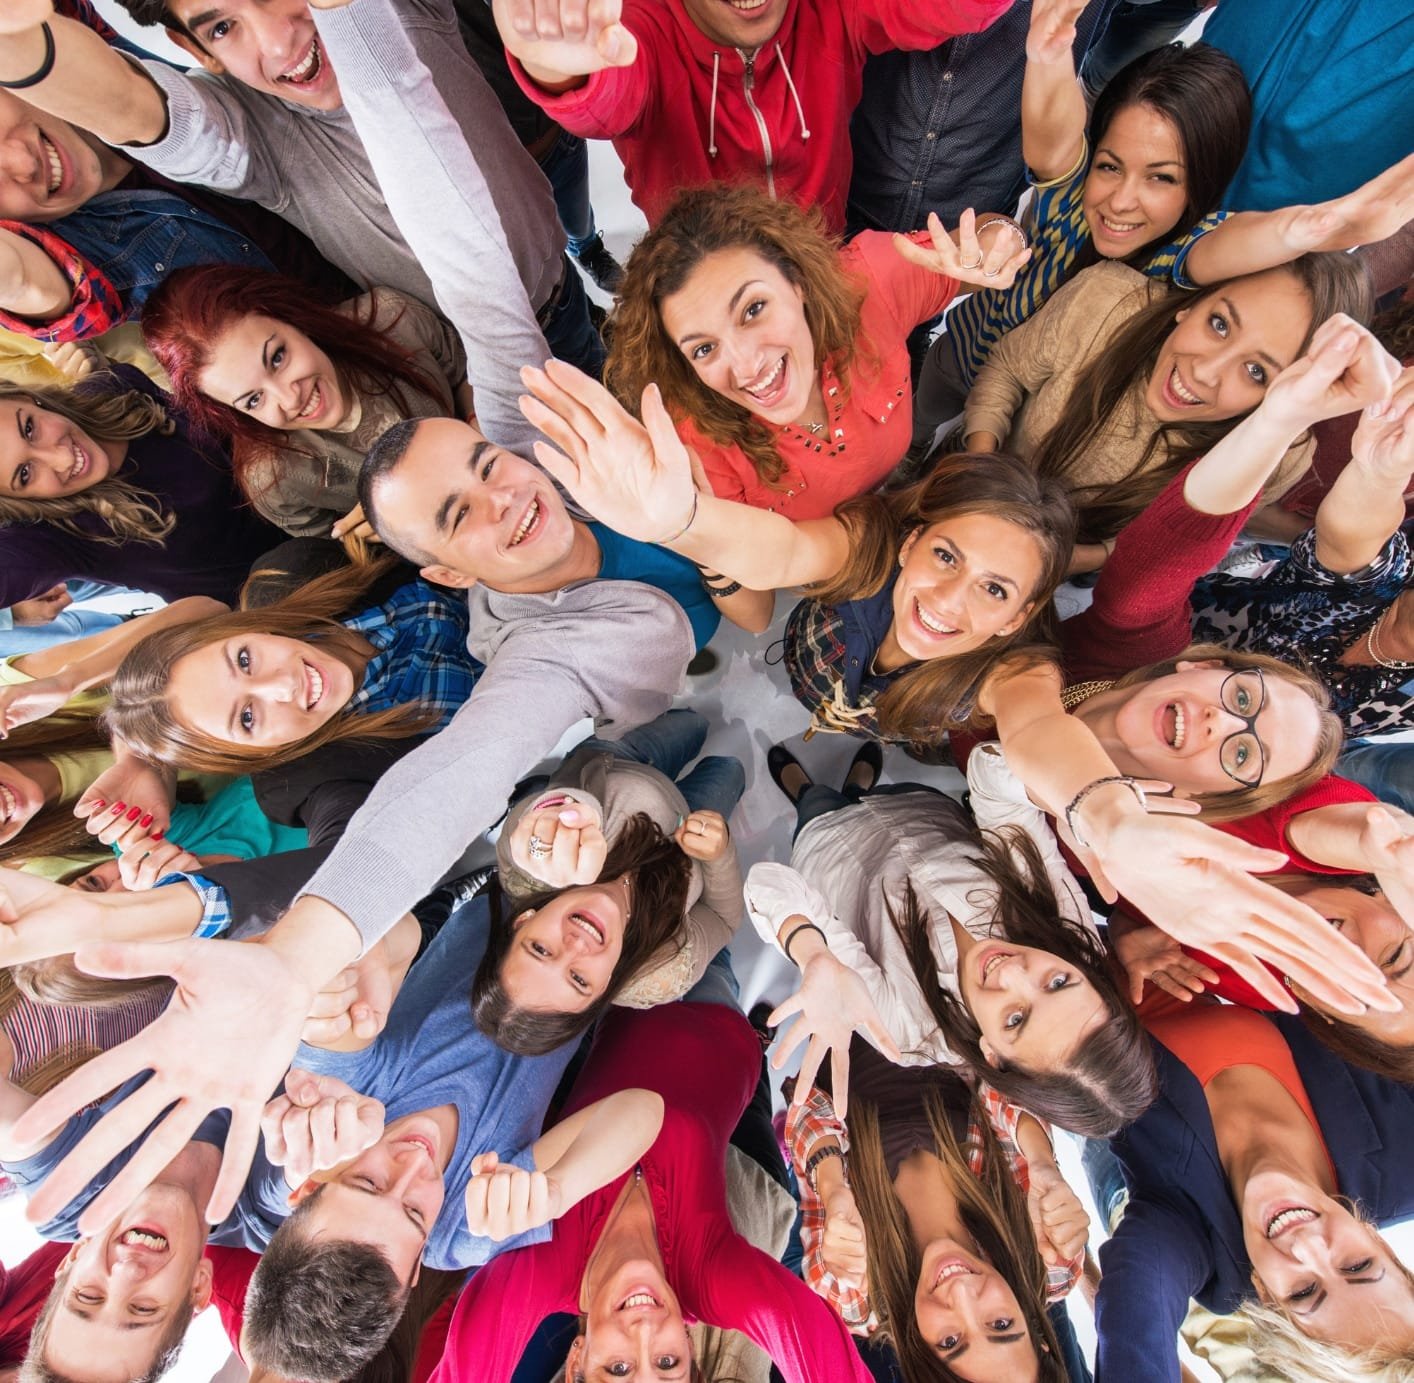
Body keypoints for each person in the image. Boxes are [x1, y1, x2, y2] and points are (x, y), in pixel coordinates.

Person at [508, 353, 1393, 1022]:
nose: (1212, 725)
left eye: (1240, 753)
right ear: (1206, 661)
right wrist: (687, 522)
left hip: (918, 727)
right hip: (833, 668)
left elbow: (1038, 725)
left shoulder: (1019, 669)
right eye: (1239, 693)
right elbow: (1174, 546)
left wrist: (1112, 822)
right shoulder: (1132, 638)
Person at [0, 0, 584, 456]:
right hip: (476, 373)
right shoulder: (252, 132)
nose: (281, 42)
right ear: (191, 48)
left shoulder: (401, 11)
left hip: (563, 282)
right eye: (223, 28)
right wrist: (21, 46)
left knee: (576, 221)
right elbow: (133, 105)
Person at [912, 3, 1413, 444]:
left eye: (1161, 179)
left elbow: (1264, 239)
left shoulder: (1182, 252)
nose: (1123, 201)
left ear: (1196, 188)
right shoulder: (1071, 191)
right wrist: (1047, 57)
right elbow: (1053, 142)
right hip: (962, 356)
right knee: (920, 420)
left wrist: (1330, 225)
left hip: (1038, 408)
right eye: (1110, 166)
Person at [232, 893, 664, 1381]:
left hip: (520, 891)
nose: (414, 1164)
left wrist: (347, 973)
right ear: (418, 1268)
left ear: (309, 1186)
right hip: (602, 959)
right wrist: (557, 1190)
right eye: (416, 1213)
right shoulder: (465, 1230)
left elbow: (404, 935)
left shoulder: (330, 1107)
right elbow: (644, 1109)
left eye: (367, 1183)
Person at [422, 996, 883, 1382]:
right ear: (689, 1347)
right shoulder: (708, 1278)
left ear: (579, 1357)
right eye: (667, 1363)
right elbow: (811, 1342)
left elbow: (466, 1367)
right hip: (720, 1012)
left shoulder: (544, 1266)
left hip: (627, 993)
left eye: (618, 1368)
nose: (644, 1330)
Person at [748, 738, 1156, 1135]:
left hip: (830, 844)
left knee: (814, 800)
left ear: (993, 1056)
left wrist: (813, 952)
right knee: (867, 788)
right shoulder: (1069, 933)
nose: (1011, 971)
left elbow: (769, 883)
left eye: (1015, 1019)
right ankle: (859, 784)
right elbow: (989, 772)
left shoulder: (908, 1029)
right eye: (1058, 982)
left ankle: (804, 788)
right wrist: (1079, 798)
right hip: (919, 808)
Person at [605, 182, 1031, 525]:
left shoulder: (869, 284)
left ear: (799, 282)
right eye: (703, 348)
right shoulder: (694, 441)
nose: (747, 364)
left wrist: (1001, 243)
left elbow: (983, 240)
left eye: (753, 309)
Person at [961, 251, 1372, 561]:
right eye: (1220, 324)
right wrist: (980, 475)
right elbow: (1009, 369)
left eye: (1256, 371)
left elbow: (1175, 542)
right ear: (1192, 304)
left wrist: (1076, 561)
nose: (1207, 372)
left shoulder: (1279, 454)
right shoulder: (1105, 300)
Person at [490, 0, 1014, 233]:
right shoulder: (641, 26)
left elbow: (939, 7)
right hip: (702, 284)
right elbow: (606, 95)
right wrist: (554, 66)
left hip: (821, 255)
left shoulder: (829, 9)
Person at [1094, 1000, 1414, 1381]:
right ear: (1383, 1248)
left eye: (1303, 1292)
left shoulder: (1192, 1244)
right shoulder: (1403, 1149)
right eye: (1357, 1265)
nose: (1307, 1245)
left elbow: (1135, 1321)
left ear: (1264, 1296)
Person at [0, 2, 353, 344]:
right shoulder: (66, 258)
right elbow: (20, 281)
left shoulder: (67, 48)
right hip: (355, 346)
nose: (24, 164)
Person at [788, 1041, 1086, 1382]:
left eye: (950, 1341)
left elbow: (806, 1102)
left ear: (919, 1358)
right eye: (1001, 1324)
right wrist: (1042, 1162)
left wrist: (832, 1189)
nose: (961, 1293)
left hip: (833, 1026)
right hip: (939, 1004)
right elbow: (1000, 1076)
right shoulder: (1048, 1258)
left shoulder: (851, 1293)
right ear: (1041, 1341)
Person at [141, 263, 472, 539]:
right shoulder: (275, 483)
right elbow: (343, 550)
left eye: (277, 358)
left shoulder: (392, 319)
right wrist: (386, 533)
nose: (290, 398)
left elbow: (465, 373)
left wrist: (478, 425)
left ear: (289, 317)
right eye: (254, 400)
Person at [484, 710, 745, 1045]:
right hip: (698, 823)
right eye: (578, 979)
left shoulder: (527, 862)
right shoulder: (661, 974)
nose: (574, 945)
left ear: (523, 921)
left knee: (691, 722)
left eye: (540, 949)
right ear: (605, 988)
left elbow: (550, 810)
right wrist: (719, 856)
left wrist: (567, 812)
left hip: (620, 759)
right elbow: (723, 920)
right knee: (730, 770)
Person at [106, 555, 482, 774]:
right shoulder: (365, 768)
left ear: (245, 628)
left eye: (244, 659)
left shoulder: (301, 569)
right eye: (248, 718)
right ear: (252, 756)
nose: (282, 685)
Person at [0, 363, 283, 608]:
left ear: (27, 398)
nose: (61, 459)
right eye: (25, 474)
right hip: (291, 591)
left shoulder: (117, 386)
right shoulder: (54, 537)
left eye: (29, 428)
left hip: (305, 499)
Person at [1112, 871, 1414, 1085]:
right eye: (1394, 957)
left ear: (1320, 1009)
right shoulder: (1339, 836)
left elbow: (1125, 906)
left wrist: (1127, 934)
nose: (1353, 962)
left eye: (1357, 996)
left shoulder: (1240, 981)